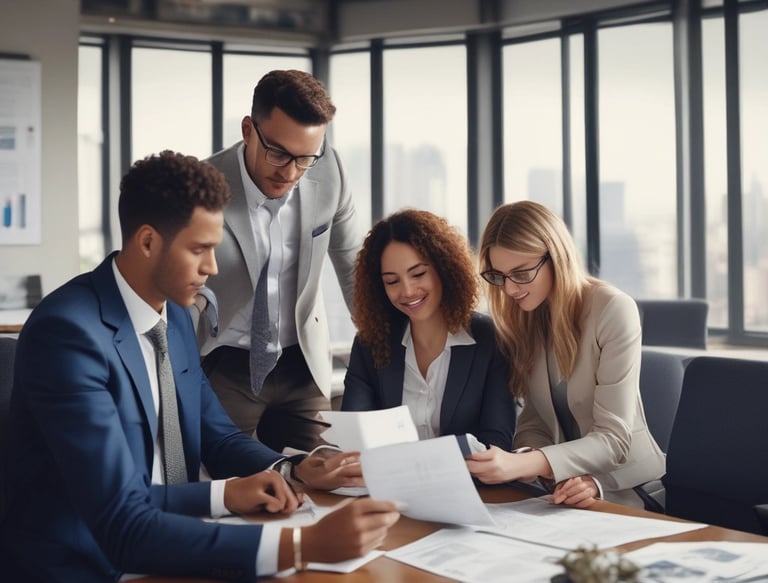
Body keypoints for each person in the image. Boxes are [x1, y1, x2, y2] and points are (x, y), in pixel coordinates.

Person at [0, 151, 398, 582]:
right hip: (87, 564)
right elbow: (122, 522)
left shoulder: (172, 314)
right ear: (148, 242)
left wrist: (290, 469)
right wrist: (303, 544)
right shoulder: (68, 334)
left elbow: (216, 434)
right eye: (200, 249)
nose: (212, 267)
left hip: (168, 542)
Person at [197, 69, 364, 453]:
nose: (290, 172)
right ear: (247, 130)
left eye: (304, 158)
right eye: (278, 153)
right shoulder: (203, 184)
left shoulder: (330, 172)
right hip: (225, 362)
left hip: (301, 362)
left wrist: (386, 348)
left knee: (325, 476)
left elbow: (354, 268)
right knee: (223, 477)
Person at [466, 200, 665, 509]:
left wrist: (528, 465)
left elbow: (614, 439)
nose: (509, 289)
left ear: (556, 258)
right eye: (499, 276)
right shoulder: (527, 315)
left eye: (521, 273)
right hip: (565, 492)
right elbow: (534, 421)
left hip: (628, 487)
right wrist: (546, 469)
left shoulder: (613, 309)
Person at [341, 209, 516, 450]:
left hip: (471, 483)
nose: (407, 291)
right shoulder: (370, 344)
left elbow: (498, 441)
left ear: (444, 269)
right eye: (392, 281)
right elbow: (354, 436)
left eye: (418, 274)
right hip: (388, 482)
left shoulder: (490, 340)